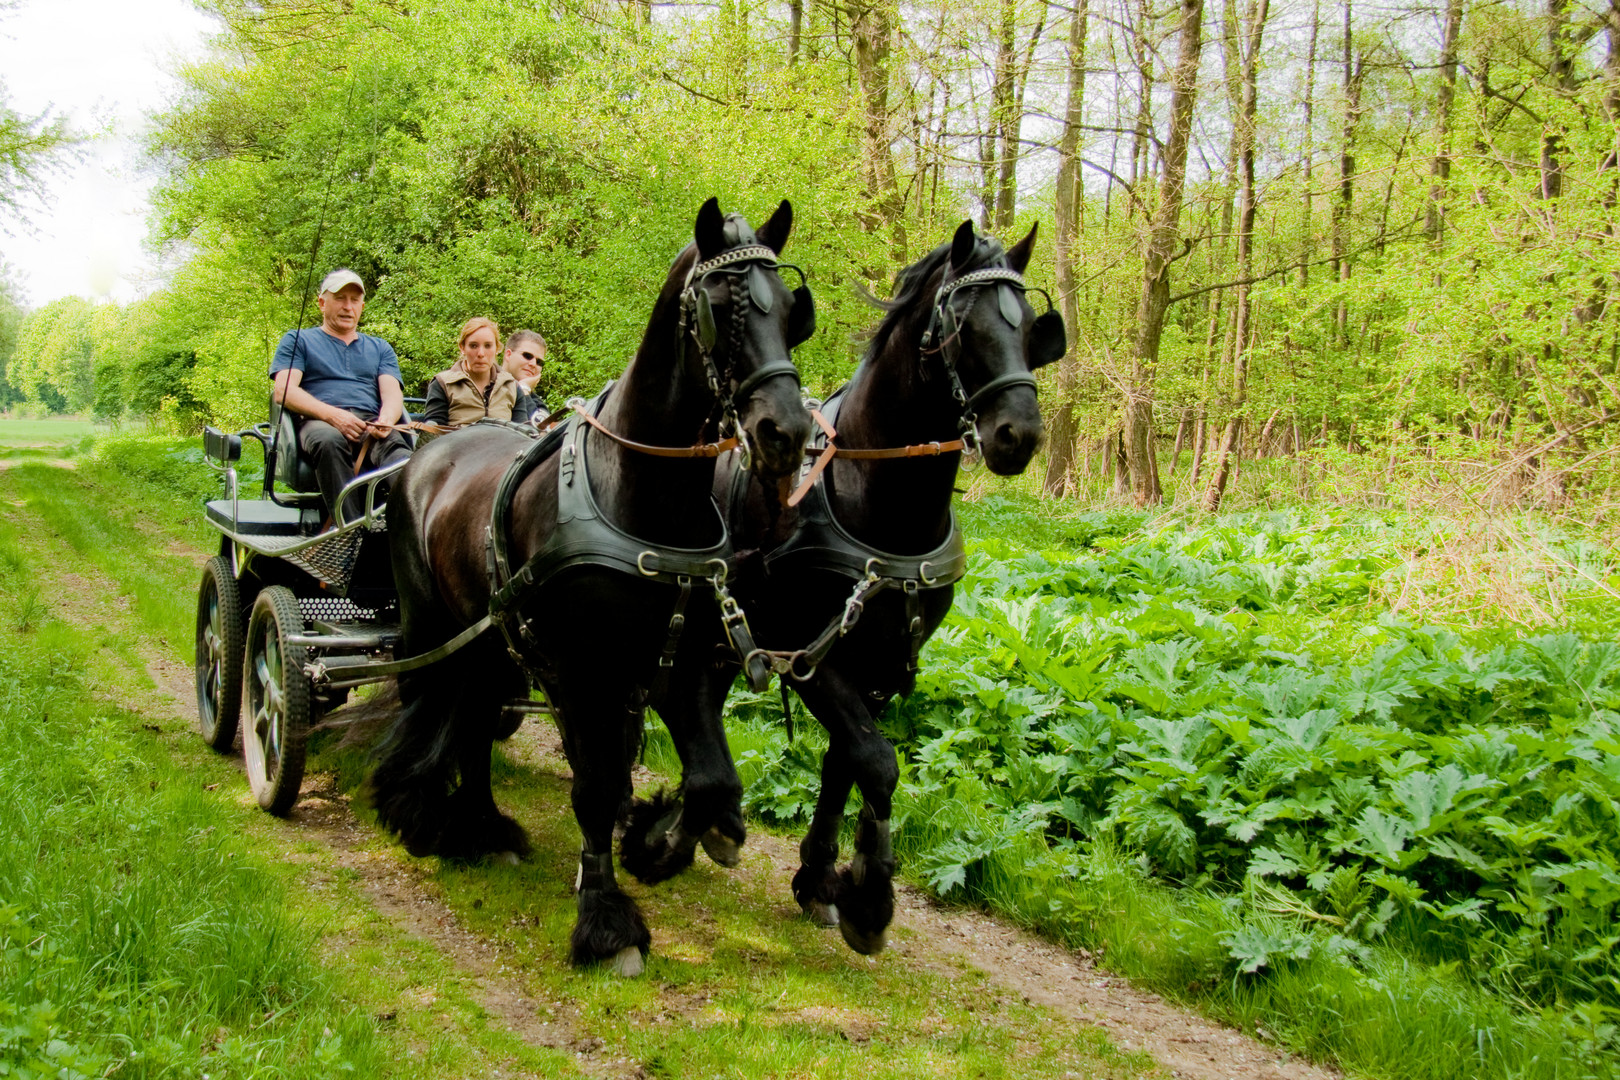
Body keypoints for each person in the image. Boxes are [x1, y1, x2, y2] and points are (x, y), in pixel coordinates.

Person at [269, 268, 411, 524]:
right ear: (322, 302)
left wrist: (387, 420)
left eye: (354, 300)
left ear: (362, 306)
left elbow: (392, 394)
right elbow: (284, 391)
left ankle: (409, 527)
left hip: (370, 422)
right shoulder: (298, 340)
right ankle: (352, 534)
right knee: (329, 441)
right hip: (319, 422)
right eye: (340, 298)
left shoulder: (380, 348)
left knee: (398, 453)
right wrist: (334, 416)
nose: (348, 306)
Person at [422, 318, 543, 426]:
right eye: (473, 346)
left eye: (488, 346)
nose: (481, 353)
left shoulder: (512, 387)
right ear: (462, 347)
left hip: (504, 449)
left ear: (497, 348)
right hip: (457, 449)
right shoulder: (443, 383)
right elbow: (433, 436)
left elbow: (521, 434)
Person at [503, 329, 551, 420]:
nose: (533, 364)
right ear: (508, 355)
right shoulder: (485, 385)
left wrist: (523, 389)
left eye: (539, 362)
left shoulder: (535, 403)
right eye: (527, 356)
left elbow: (542, 428)